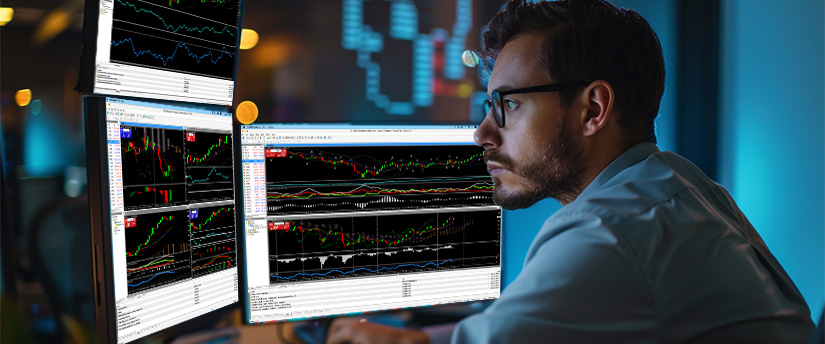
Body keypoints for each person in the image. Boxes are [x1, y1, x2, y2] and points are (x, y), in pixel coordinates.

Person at [326, 0, 815, 343]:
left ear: (593, 108)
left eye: (508, 104)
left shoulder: (613, 229)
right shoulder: (675, 185)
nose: (482, 134)